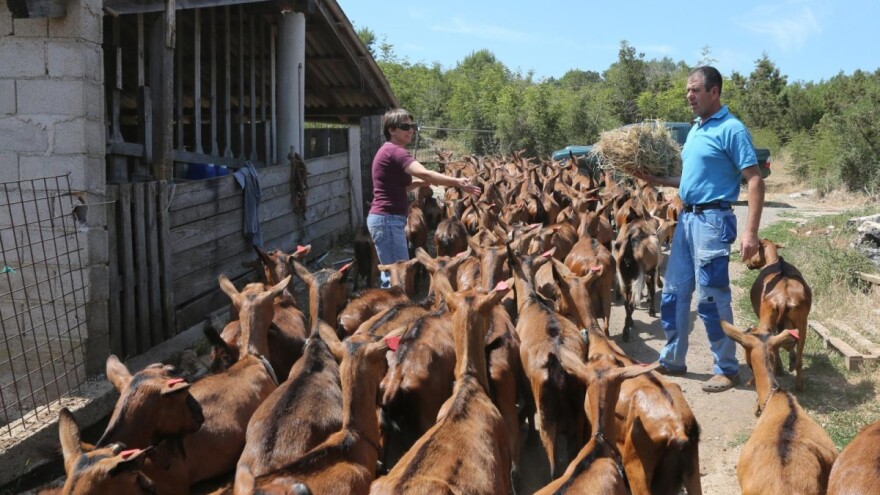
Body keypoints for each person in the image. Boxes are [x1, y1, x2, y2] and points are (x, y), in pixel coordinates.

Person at [633, 66, 765, 393]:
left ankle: (727, 367)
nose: (688, 96)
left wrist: (750, 234)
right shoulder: (695, 130)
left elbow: (755, 179)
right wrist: (657, 180)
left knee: (711, 296)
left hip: (712, 221)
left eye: (694, 90)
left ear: (714, 92)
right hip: (687, 220)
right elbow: (689, 179)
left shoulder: (732, 130)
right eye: (687, 91)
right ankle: (672, 358)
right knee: (674, 293)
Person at [367, 108, 481, 288]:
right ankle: (394, 313)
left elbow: (398, 187)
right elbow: (426, 173)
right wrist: (458, 182)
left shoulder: (388, 151)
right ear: (391, 130)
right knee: (397, 278)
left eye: (413, 126)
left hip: (386, 220)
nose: (411, 130)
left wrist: (418, 184)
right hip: (387, 220)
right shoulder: (396, 152)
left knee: (394, 275)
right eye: (405, 126)